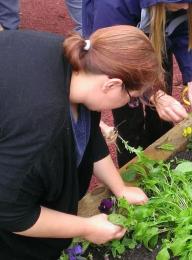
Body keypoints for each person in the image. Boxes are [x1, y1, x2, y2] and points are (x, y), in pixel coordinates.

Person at [0, 25, 162, 259]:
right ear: (112, 85)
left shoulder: (77, 61)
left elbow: (88, 136)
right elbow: (11, 212)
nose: (129, 104)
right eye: (131, 98)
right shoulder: (43, 129)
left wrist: (120, 188)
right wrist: (87, 228)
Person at [83, 0, 192, 166]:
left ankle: (162, 156)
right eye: (183, 2)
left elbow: (185, 30)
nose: (187, 7)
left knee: (162, 111)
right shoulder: (112, 6)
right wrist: (155, 94)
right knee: (128, 119)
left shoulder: (182, 5)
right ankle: (132, 165)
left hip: (158, 31)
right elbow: (114, 60)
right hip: (116, 53)